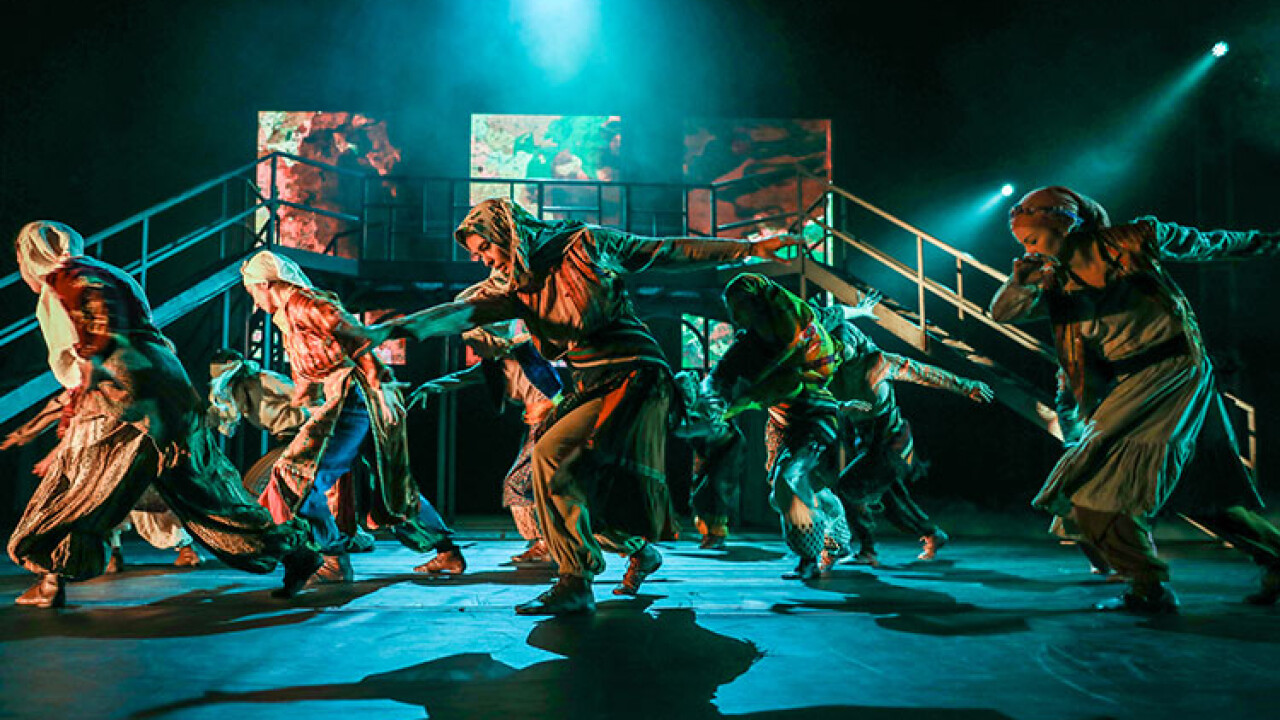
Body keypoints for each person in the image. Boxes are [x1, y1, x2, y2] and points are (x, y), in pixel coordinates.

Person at [376, 197, 799, 614]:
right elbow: (457, 313)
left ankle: (576, 580)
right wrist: (384, 332)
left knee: (556, 461)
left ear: (508, 233)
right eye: (475, 254)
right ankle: (625, 556)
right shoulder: (515, 287)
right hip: (594, 383)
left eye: (485, 247)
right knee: (569, 479)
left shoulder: (586, 245)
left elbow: (665, 249)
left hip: (635, 372)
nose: (482, 260)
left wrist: (748, 248)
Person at [989, 186, 1280, 613]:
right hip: (1134, 382)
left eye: (1032, 239)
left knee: (1090, 489)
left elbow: (1210, 243)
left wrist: (1269, 242)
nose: (1027, 249)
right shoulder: (1052, 279)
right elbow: (1001, 312)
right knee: (1202, 496)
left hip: (1175, 371)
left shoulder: (1132, 240)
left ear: (1063, 223)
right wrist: (1020, 282)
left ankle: (1149, 585)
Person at [4, 221, 321, 607]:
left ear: (31, 255)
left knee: (73, 486)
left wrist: (74, 413)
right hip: (171, 386)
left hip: (120, 391)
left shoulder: (58, 285)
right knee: (208, 493)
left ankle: (51, 580)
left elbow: (85, 352)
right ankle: (296, 552)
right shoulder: (116, 275)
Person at [240, 250, 462, 584]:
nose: (255, 302)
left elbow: (352, 334)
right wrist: (304, 399)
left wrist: (374, 376)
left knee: (297, 478)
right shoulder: (288, 315)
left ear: (266, 284)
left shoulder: (305, 304)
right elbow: (311, 367)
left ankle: (332, 559)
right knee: (390, 485)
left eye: (253, 291)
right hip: (349, 399)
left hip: (351, 398)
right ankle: (447, 552)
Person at [812, 293, 994, 566]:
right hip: (866, 442)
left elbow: (924, 372)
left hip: (892, 440)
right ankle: (932, 534)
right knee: (892, 500)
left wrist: (967, 386)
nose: (837, 354)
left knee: (850, 488)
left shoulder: (878, 362)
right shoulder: (829, 369)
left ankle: (868, 550)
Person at [705, 273, 856, 580]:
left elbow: (833, 315)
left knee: (790, 479)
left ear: (756, 304)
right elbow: (719, 376)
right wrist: (710, 397)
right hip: (780, 422)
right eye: (731, 308)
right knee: (782, 492)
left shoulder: (803, 328)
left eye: (739, 307)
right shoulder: (748, 346)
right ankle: (835, 527)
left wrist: (859, 311)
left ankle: (809, 557)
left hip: (815, 415)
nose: (734, 315)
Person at [408, 322, 562, 564]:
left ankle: (545, 543)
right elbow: (461, 377)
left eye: (476, 345)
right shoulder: (493, 367)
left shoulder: (525, 354)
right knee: (531, 485)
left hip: (552, 426)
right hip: (536, 427)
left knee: (517, 484)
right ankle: (543, 542)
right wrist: (427, 388)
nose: (475, 351)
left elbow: (554, 386)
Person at [672, 370, 746, 550]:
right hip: (707, 449)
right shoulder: (680, 408)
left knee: (717, 486)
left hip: (728, 446)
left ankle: (717, 533)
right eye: (682, 391)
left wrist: (685, 428)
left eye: (687, 388)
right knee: (699, 491)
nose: (686, 394)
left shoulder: (707, 401)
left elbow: (713, 427)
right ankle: (708, 531)